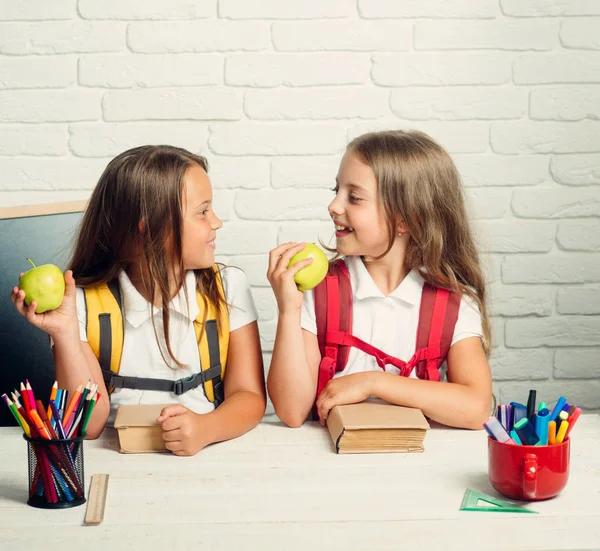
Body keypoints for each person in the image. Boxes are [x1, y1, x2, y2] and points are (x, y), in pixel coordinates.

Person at [11, 145, 266, 455]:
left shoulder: (228, 288)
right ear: (151, 231)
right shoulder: (81, 303)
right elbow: (88, 427)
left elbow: (249, 396)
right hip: (115, 461)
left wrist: (204, 429)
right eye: (202, 211)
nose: (216, 222)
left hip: (210, 455)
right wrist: (64, 333)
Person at [267, 130, 492, 430]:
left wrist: (373, 382)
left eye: (354, 197)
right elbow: (292, 412)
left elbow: (476, 408)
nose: (334, 206)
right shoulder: (318, 292)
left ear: (406, 219)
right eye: (336, 191)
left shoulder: (453, 304)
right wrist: (288, 310)